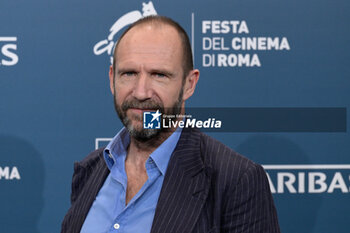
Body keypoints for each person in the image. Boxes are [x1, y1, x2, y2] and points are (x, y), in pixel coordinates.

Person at [61, 15, 280, 233]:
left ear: (189, 84)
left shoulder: (235, 181)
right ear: (112, 79)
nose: (141, 92)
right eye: (129, 73)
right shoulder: (89, 170)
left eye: (159, 75)